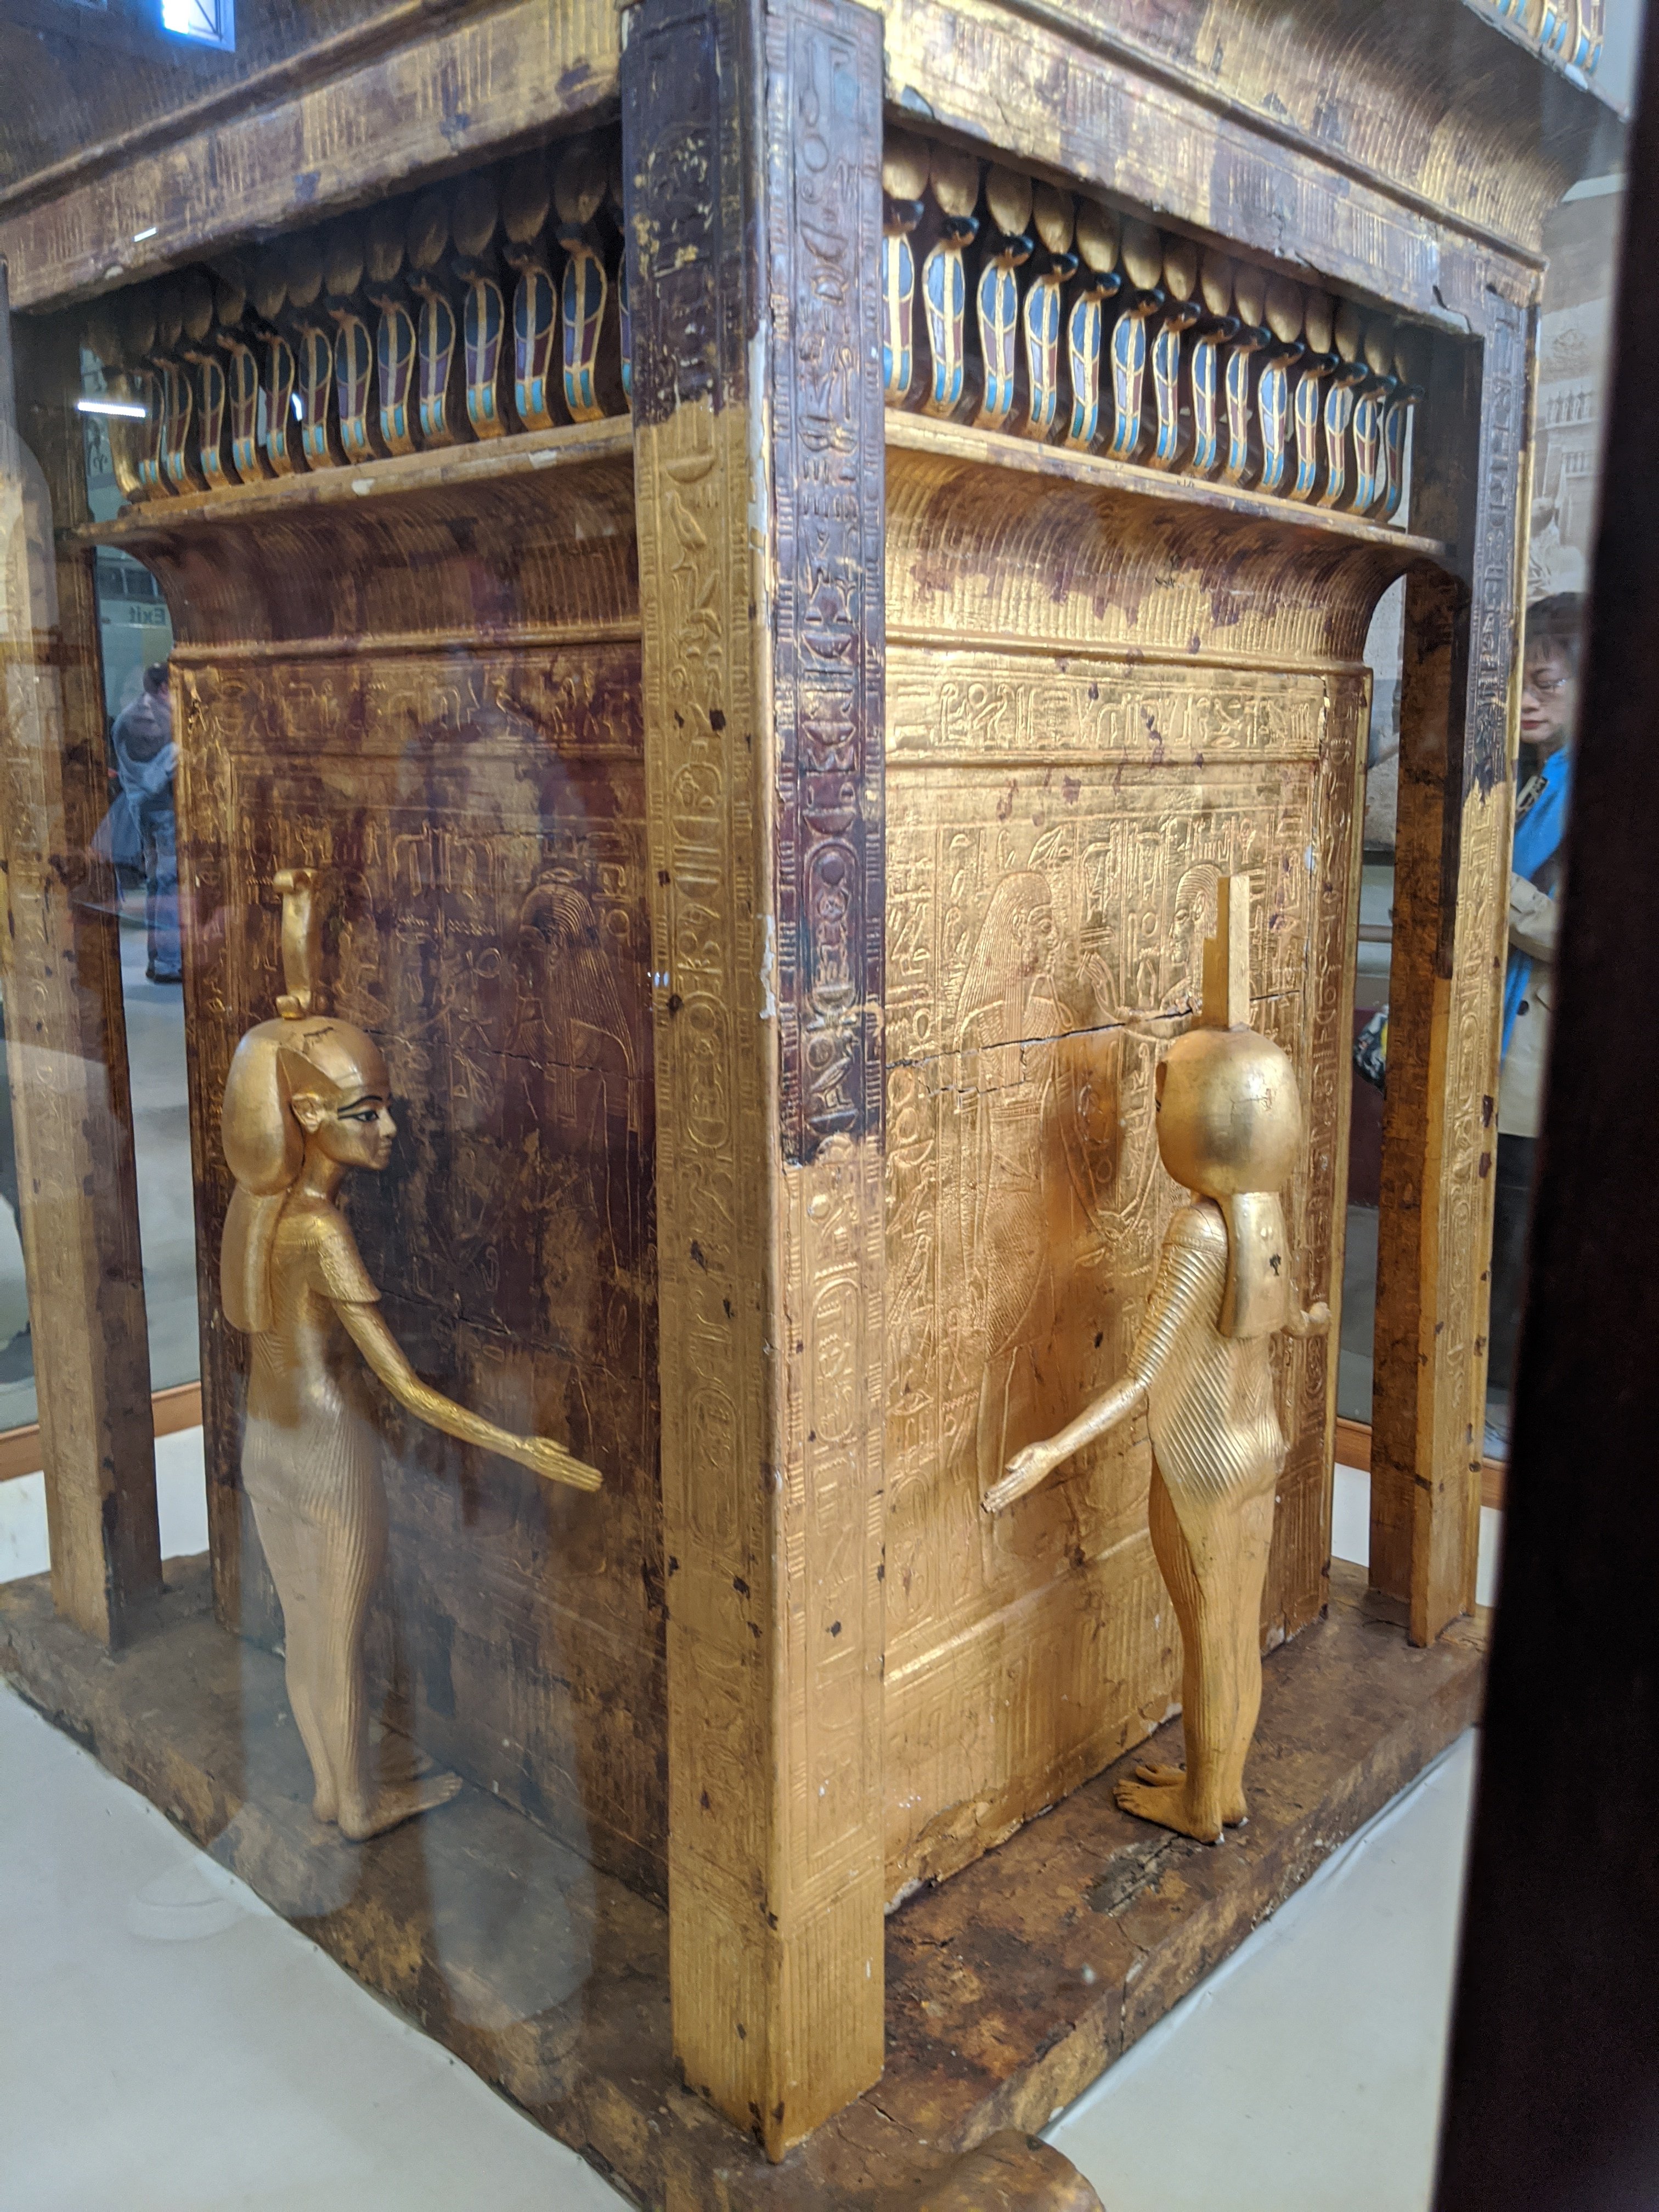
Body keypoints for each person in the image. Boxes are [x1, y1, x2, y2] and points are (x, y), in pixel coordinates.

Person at [1489, 593, 1582, 1442]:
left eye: (1546, 682)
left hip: (1539, 1056)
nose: (1526, 699)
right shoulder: (1532, 777)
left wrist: (1493, 886)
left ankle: (1508, 1402)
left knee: (1519, 1230)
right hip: (1495, 1043)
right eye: (1519, 679)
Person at [109, 660, 180, 983]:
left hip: (150, 812)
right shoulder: (146, 719)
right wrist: (179, 754)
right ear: (165, 688)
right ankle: (168, 961)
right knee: (168, 884)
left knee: (159, 884)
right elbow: (152, 778)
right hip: (161, 813)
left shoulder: (141, 714)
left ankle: (162, 959)